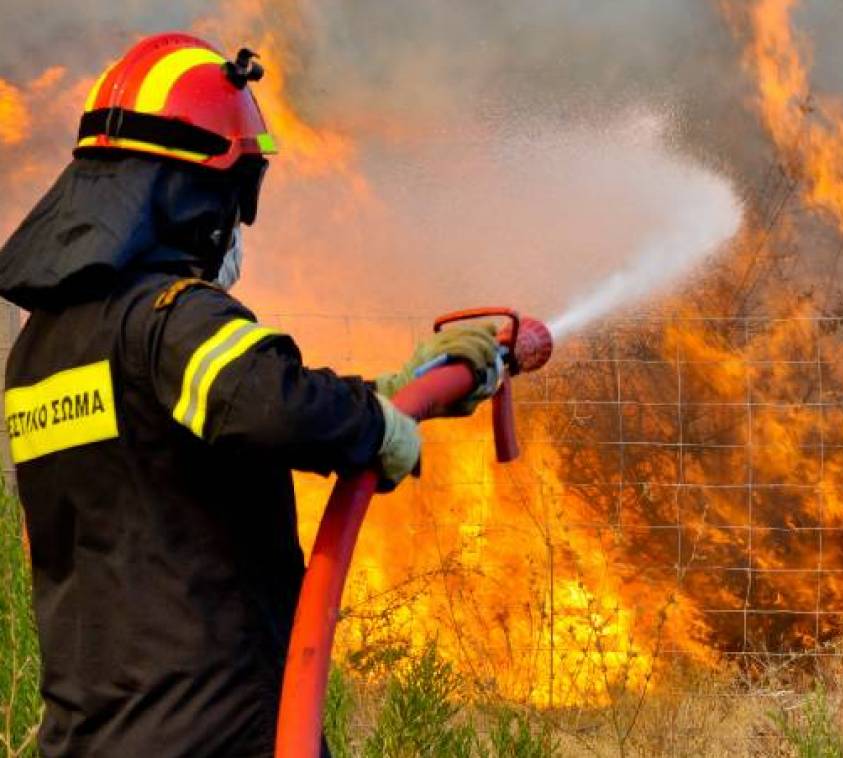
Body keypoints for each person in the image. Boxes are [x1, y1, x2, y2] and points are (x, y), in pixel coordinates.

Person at [0, 33, 498, 757]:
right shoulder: (172, 317)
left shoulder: (41, 349)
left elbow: (201, 422)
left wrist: (388, 394)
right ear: (194, 196)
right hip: (213, 731)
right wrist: (378, 426)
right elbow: (273, 405)